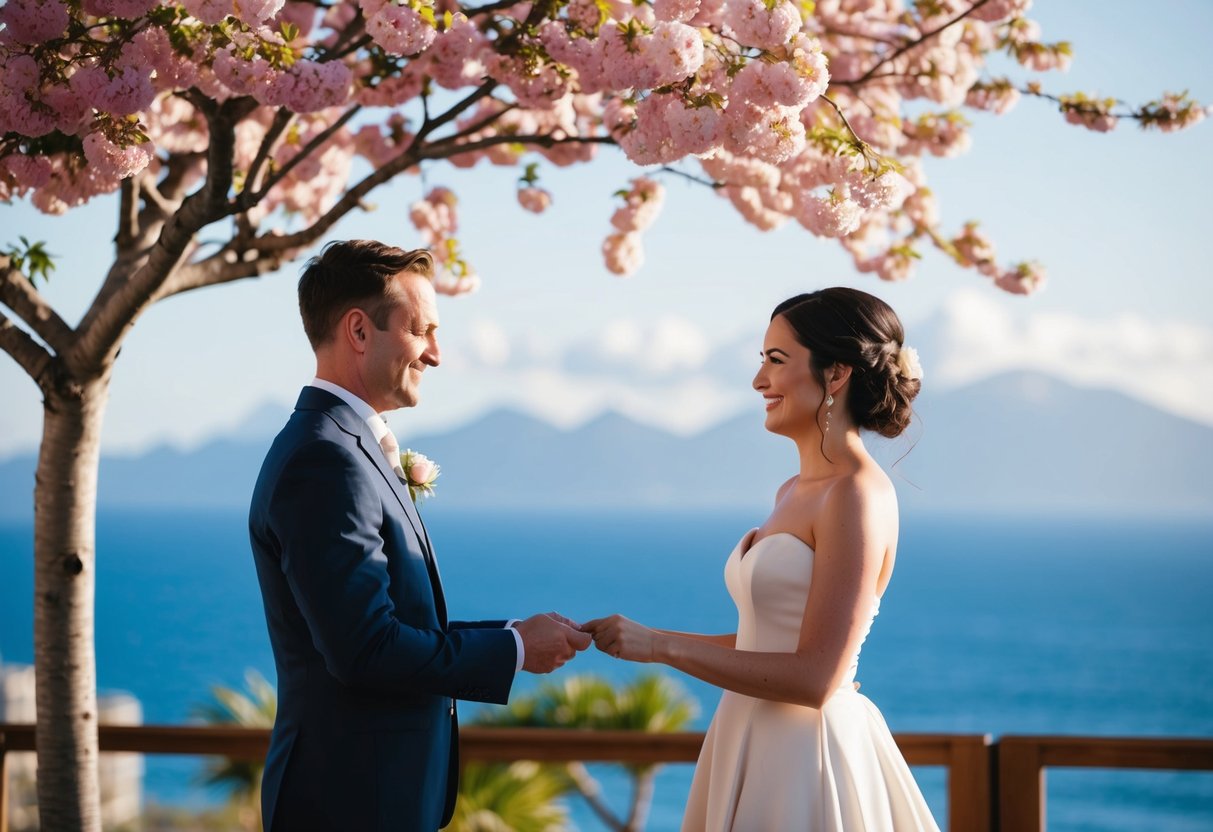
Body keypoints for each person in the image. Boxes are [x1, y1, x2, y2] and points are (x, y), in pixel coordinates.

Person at [248, 240, 591, 832]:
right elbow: (365, 650)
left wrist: (514, 634)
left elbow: (387, 624)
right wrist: (513, 653)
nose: (436, 354)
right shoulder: (325, 460)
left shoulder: (341, 449)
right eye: (422, 330)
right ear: (359, 330)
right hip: (349, 803)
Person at [584, 287, 939, 831]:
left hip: (804, 759)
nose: (759, 382)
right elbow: (765, 645)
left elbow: (817, 675)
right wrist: (645, 639)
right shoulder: (792, 490)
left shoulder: (856, 494)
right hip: (746, 735)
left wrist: (660, 647)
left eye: (776, 361)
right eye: (762, 361)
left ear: (836, 373)